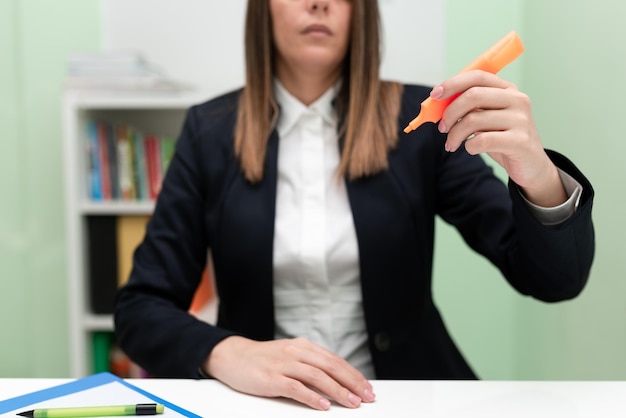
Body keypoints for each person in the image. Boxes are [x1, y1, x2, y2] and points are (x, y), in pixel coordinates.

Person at [114, 0, 595, 411]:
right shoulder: (209, 132)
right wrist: (224, 351)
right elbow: (140, 309)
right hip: (261, 406)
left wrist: (537, 177)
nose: (319, 3)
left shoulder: (420, 125)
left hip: (406, 399)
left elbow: (555, 280)